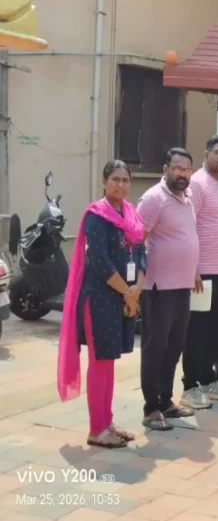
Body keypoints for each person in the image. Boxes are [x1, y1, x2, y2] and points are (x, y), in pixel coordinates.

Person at [57, 160, 145, 448]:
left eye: (125, 180)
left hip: (122, 296)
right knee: (100, 362)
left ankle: (106, 422)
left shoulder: (130, 214)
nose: (120, 185)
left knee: (108, 362)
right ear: (104, 182)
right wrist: (128, 293)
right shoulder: (97, 216)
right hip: (98, 299)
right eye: (115, 179)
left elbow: (141, 252)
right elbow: (100, 262)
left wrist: (137, 288)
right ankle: (97, 429)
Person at [136, 148, 198, 431]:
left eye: (186, 169)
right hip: (158, 288)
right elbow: (137, 242)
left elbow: (188, 238)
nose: (182, 174)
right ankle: (151, 409)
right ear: (165, 169)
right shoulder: (153, 199)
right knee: (155, 348)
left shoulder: (188, 199)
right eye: (177, 168)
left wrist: (194, 270)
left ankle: (165, 400)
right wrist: (136, 283)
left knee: (174, 346)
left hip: (182, 286)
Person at [182, 135, 218, 408]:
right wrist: (192, 268)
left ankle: (207, 380)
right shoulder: (197, 183)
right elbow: (189, 226)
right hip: (200, 273)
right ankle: (189, 386)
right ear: (206, 154)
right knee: (196, 331)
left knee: (213, 330)